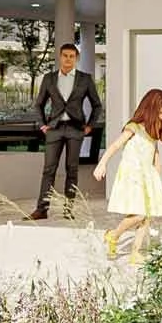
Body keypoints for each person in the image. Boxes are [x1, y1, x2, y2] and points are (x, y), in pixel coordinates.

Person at [98, 88, 162, 263]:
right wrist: (102, 164)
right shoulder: (134, 128)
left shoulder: (153, 131)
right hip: (132, 173)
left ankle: (135, 252)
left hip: (147, 175)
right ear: (151, 109)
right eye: (160, 114)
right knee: (139, 214)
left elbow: (155, 152)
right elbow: (115, 146)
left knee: (146, 217)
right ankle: (113, 235)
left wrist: (158, 171)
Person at [28, 40, 99, 220]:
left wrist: (90, 125)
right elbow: (39, 105)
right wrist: (43, 125)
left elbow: (97, 105)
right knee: (48, 170)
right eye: (65, 56)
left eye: (72, 56)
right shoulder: (49, 78)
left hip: (76, 130)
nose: (68, 59)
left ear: (76, 59)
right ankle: (41, 209)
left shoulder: (85, 79)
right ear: (60, 57)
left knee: (72, 170)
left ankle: (68, 210)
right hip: (54, 129)